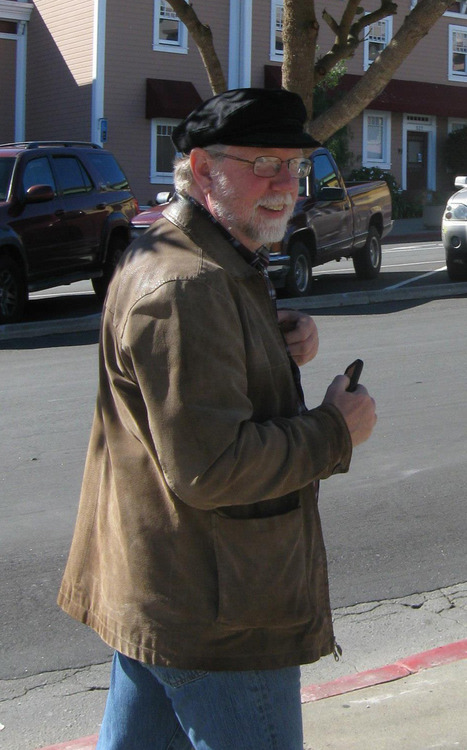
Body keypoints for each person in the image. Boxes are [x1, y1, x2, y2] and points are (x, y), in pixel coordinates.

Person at [58, 88, 376, 750]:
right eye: (263, 164)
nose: (285, 183)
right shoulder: (189, 284)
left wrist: (273, 335)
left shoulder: (193, 252)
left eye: (294, 165)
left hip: (163, 590)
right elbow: (211, 467)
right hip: (218, 613)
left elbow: (193, 380)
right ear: (203, 169)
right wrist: (334, 431)